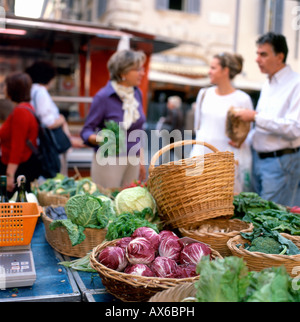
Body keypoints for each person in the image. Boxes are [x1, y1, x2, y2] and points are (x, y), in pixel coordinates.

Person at [236, 32, 300, 206]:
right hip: (259, 159)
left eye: (263, 54)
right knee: (258, 215)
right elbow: (263, 126)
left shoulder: (297, 83)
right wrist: (243, 140)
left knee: (270, 220)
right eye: (257, 54)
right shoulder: (267, 83)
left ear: (280, 57)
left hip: (281, 162)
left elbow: (295, 128)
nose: (257, 59)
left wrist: (255, 117)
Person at [80, 49, 147, 189]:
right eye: (138, 69)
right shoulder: (103, 97)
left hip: (132, 160)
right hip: (109, 160)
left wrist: (141, 160)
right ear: (123, 73)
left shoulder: (137, 94)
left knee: (127, 205)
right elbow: (86, 131)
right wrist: (100, 138)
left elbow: (138, 132)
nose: (142, 73)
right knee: (108, 202)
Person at [190, 52, 254, 193]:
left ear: (225, 71)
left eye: (213, 68)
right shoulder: (204, 94)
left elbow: (246, 133)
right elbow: (198, 127)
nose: (209, 71)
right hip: (201, 156)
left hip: (226, 161)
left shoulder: (242, 99)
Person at [25, 61, 85, 176]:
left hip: (38, 144)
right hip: (49, 146)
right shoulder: (41, 92)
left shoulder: (31, 90)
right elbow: (48, 122)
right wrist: (62, 119)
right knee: (57, 177)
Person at [0, 72, 41, 197]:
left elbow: (17, 147)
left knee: (13, 208)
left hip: (18, 169)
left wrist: (10, 176)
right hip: (23, 166)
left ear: (13, 88)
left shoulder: (20, 112)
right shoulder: (27, 108)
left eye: (5, 85)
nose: (3, 88)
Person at [159, 95, 184, 163]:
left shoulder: (173, 112)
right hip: (176, 137)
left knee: (166, 156)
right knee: (178, 156)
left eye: (169, 103)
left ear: (173, 104)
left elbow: (172, 126)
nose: (167, 104)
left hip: (171, 138)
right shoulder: (179, 112)